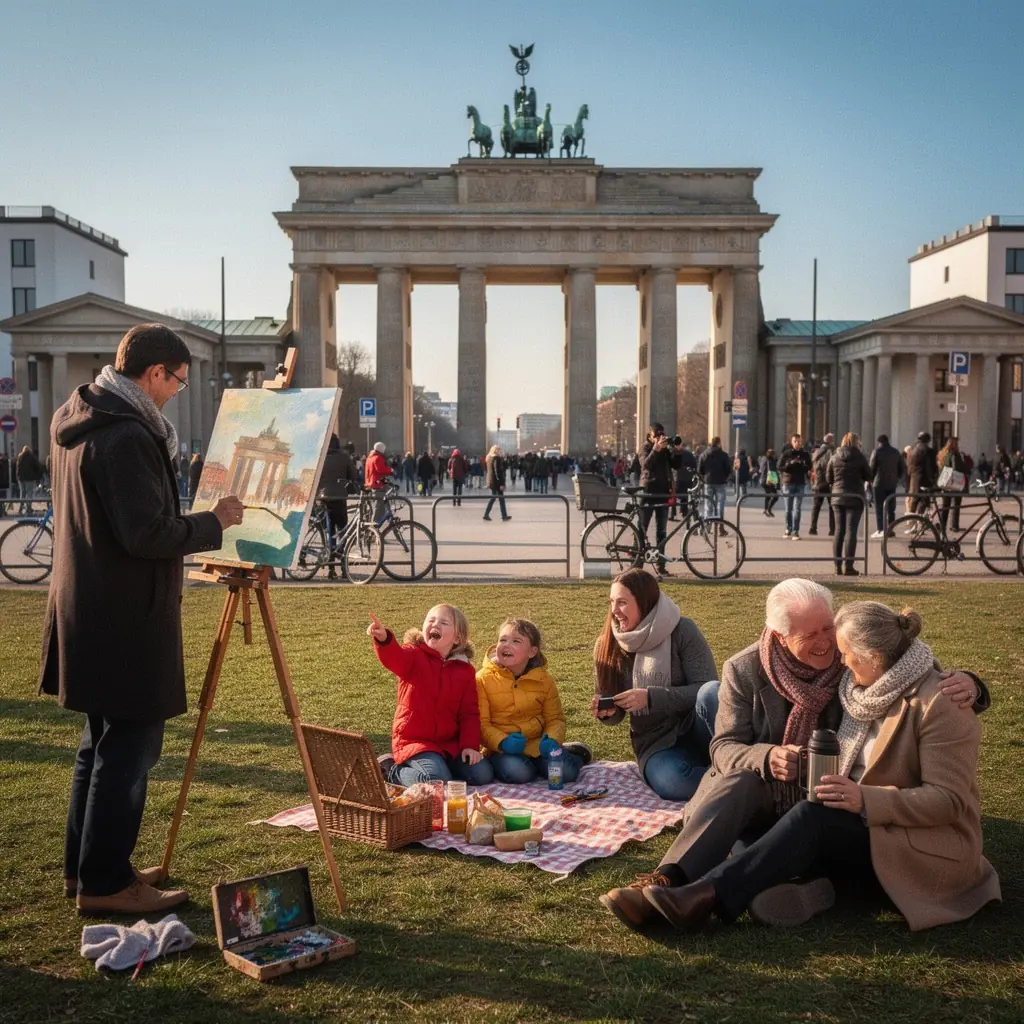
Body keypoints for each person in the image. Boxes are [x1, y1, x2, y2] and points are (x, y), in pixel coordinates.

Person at [598, 578, 989, 932]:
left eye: (828, 629)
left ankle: (711, 895)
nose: (830, 647)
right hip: (784, 796)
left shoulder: (857, 667)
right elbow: (722, 748)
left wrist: (973, 685)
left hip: (838, 809)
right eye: (810, 635)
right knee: (740, 787)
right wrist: (767, 757)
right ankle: (669, 880)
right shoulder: (747, 669)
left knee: (784, 833)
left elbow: (901, 649)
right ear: (780, 637)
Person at [41, 323, 244, 915]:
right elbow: (146, 533)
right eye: (177, 381)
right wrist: (214, 522)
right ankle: (106, 884)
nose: (177, 391)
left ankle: (88, 870)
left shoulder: (81, 416)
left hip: (90, 607)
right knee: (128, 751)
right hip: (125, 616)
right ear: (154, 372)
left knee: (99, 745)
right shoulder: (126, 435)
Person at [591, 569, 720, 801]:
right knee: (675, 783)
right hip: (655, 742)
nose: (614, 611)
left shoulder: (682, 630)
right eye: (612, 602)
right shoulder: (607, 644)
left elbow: (706, 687)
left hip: (697, 727)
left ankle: (732, 766)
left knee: (713, 693)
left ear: (644, 602)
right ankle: (737, 781)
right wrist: (608, 712)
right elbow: (615, 713)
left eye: (622, 602)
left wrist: (651, 697)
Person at [368, 605, 490, 786]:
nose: (435, 624)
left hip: (450, 745)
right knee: (436, 780)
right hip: (414, 741)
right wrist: (384, 639)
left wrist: (469, 746)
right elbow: (395, 658)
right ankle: (390, 769)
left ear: (457, 638)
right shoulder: (414, 654)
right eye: (431, 620)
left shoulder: (465, 670)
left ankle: (442, 769)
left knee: (483, 774)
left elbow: (469, 713)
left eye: (444, 622)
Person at [476, 618, 592, 785]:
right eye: (502, 640)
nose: (506, 645)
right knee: (518, 773)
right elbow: (481, 724)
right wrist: (502, 742)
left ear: (532, 652)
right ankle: (529, 766)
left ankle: (575, 754)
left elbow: (555, 719)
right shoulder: (482, 679)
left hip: (537, 746)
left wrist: (552, 739)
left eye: (516, 641)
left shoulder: (544, 680)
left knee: (566, 773)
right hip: (501, 750)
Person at [825, 432, 871, 577]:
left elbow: (828, 477)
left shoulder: (834, 456)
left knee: (839, 531)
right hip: (855, 496)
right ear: (857, 443)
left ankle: (837, 566)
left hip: (837, 497)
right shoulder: (860, 457)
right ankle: (849, 566)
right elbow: (869, 476)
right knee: (851, 531)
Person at [638, 424, 680, 575]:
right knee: (641, 529)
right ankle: (637, 565)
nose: (660, 438)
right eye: (656, 436)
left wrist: (677, 451)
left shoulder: (666, 449)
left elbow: (677, 465)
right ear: (650, 437)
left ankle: (661, 566)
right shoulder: (645, 448)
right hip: (648, 493)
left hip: (663, 493)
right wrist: (655, 450)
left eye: (662, 435)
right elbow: (645, 465)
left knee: (661, 531)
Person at [317, 435, 358, 570]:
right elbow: (352, 475)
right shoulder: (344, 456)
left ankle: (330, 566)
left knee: (329, 530)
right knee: (342, 530)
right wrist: (353, 487)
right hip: (340, 497)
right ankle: (343, 565)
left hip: (323, 497)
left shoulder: (320, 456)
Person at [868, 434, 905, 538]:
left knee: (879, 507)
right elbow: (902, 467)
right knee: (891, 508)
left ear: (879, 442)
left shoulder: (877, 451)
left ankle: (881, 529)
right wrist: (896, 478)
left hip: (878, 483)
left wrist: (870, 479)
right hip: (891, 484)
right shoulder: (896, 451)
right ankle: (891, 529)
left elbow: (872, 468)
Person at [778, 434, 812, 539]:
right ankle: (788, 528)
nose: (797, 443)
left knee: (797, 508)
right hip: (788, 482)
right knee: (788, 509)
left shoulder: (805, 454)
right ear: (791, 442)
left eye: (799, 441)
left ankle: (796, 531)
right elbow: (779, 466)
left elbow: (809, 466)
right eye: (795, 441)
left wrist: (802, 464)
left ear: (801, 442)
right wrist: (790, 464)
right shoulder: (786, 453)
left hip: (800, 483)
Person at [937, 436, 968, 533]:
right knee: (956, 505)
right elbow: (956, 469)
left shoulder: (944, 454)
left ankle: (942, 526)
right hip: (954, 483)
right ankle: (954, 525)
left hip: (945, 482)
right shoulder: (955, 455)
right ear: (954, 444)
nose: (959, 445)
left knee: (945, 506)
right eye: (958, 443)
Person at [696, 435, 731, 520]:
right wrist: (725, 477)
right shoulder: (724, 455)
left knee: (708, 505)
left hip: (708, 482)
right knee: (720, 505)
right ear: (719, 443)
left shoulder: (704, 454)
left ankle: (708, 526)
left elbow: (699, 470)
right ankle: (720, 525)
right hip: (721, 482)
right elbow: (728, 469)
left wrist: (704, 476)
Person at [808, 433, 836, 537]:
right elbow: (829, 466)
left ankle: (813, 527)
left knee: (816, 507)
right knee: (832, 507)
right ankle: (832, 529)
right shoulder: (831, 452)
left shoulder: (816, 452)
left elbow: (813, 465)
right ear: (830, 441)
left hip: (817, 483)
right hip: (828, 483)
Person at [907, 431, 937, 514]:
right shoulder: (929, 451)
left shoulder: (912, 451)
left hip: (914, 479)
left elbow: (909, 466)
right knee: (924, 501)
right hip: (925, 479)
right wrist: (933, 479)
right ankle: (920, 519)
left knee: (915, 500)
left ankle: (910, 518)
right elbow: (930, 467)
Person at [483, 444, 511, 521]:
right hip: (496, 482)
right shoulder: (496, 458)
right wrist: (501, 484)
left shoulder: (489, 458)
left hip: (491, 481)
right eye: (499, 449)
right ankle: (503, 515)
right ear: (495, 450)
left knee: (494, 498)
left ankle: (486, 514)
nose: (500, 451)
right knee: (500, 498)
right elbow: (497, 471)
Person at [759, 448, 780, 517]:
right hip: (769, 480)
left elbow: (761, 469)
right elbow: (774, 472)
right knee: (775, 496)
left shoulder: (763, 459)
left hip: (763, 480)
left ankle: (766, 510)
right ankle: (768, 509)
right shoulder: (771, 461)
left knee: (768, 495)